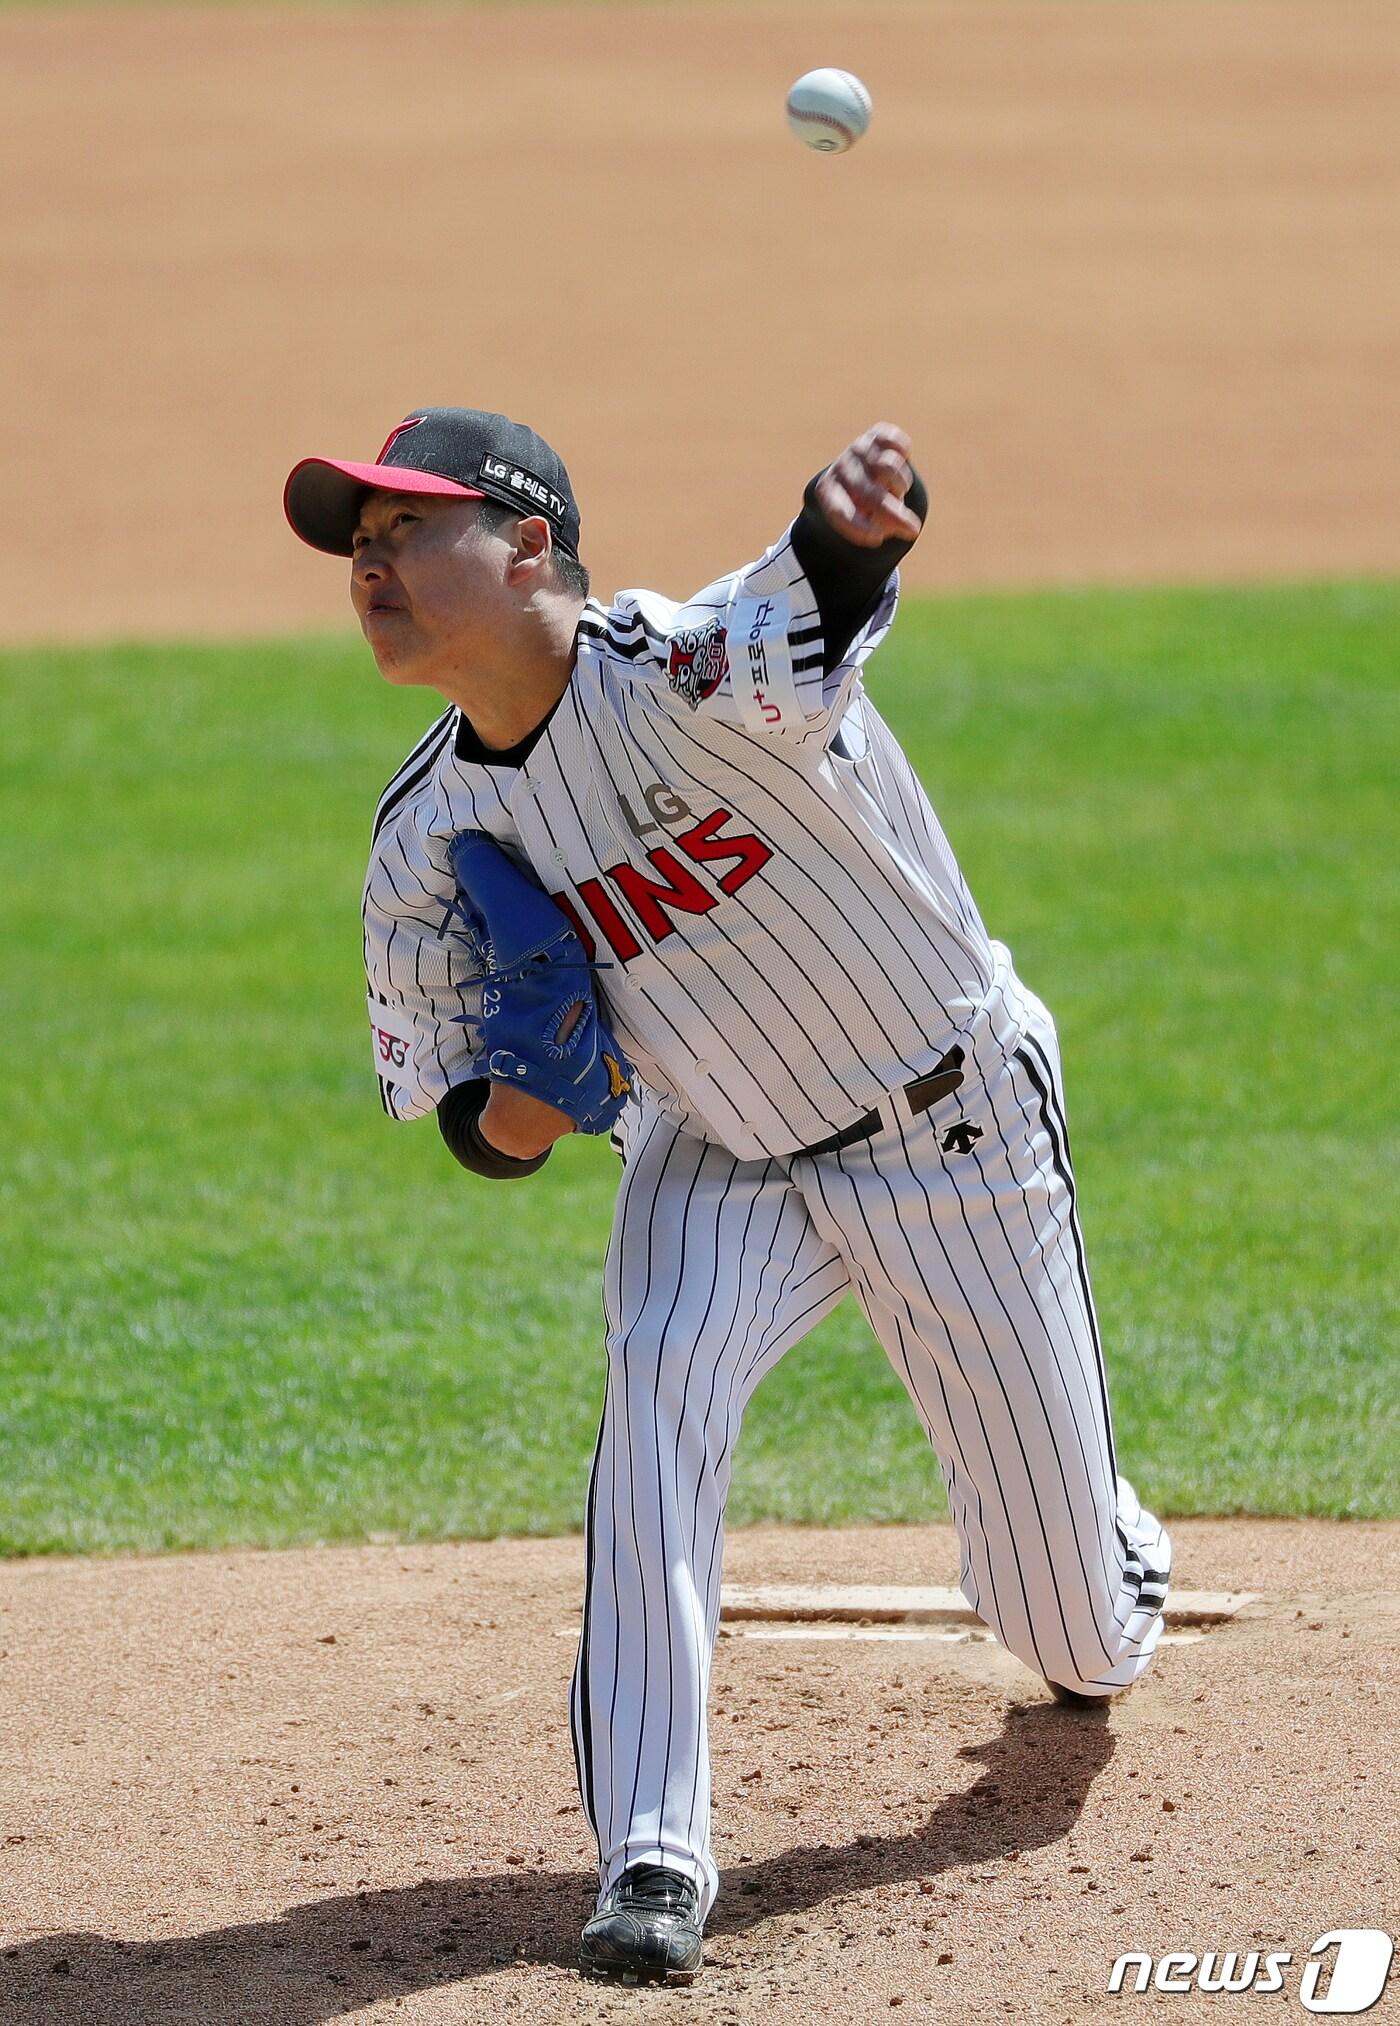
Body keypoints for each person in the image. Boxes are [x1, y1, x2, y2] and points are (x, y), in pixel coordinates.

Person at [284, 407, 1172, 1986]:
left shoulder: (678, 673)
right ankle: (651, 1850)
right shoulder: (427, 834)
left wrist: (844, 531)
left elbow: (804, 610)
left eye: (406, 530)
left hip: (947, 1130)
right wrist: (536, 1095)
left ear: (533, 545)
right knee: (657, 1383)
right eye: (356, 543)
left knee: (1074, 1638)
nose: (371, 564)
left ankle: (1109, 1549)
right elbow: (471, 1129)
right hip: (716, 1154)